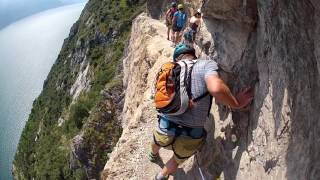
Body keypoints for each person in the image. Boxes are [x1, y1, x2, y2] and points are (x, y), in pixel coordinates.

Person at [149, 44, 254, 180]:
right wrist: (236, 103)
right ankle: (161, 176)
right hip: (191, 134)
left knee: (157, 141)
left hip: (165, 125)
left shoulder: (169, 69)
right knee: (176, 159)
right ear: (194, 55)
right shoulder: (205, 65)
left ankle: (153, 154)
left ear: (177, 59)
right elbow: (215, 88)